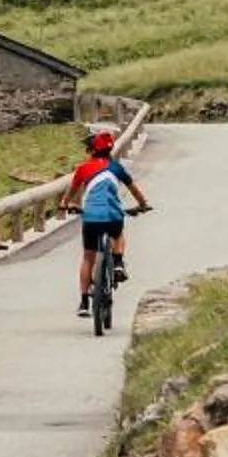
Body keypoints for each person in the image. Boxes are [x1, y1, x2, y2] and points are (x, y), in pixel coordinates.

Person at [69, 129, 150, 316]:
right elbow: (134, 190)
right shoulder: (117, 168)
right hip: (113, 217)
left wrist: (66, 205)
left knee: (88, 257)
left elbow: (69, 195)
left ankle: (83, 302)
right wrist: (143, 205)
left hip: (90, 218)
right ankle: (119, 262)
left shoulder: (83, 169)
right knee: (118, 234)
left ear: (92, 151)